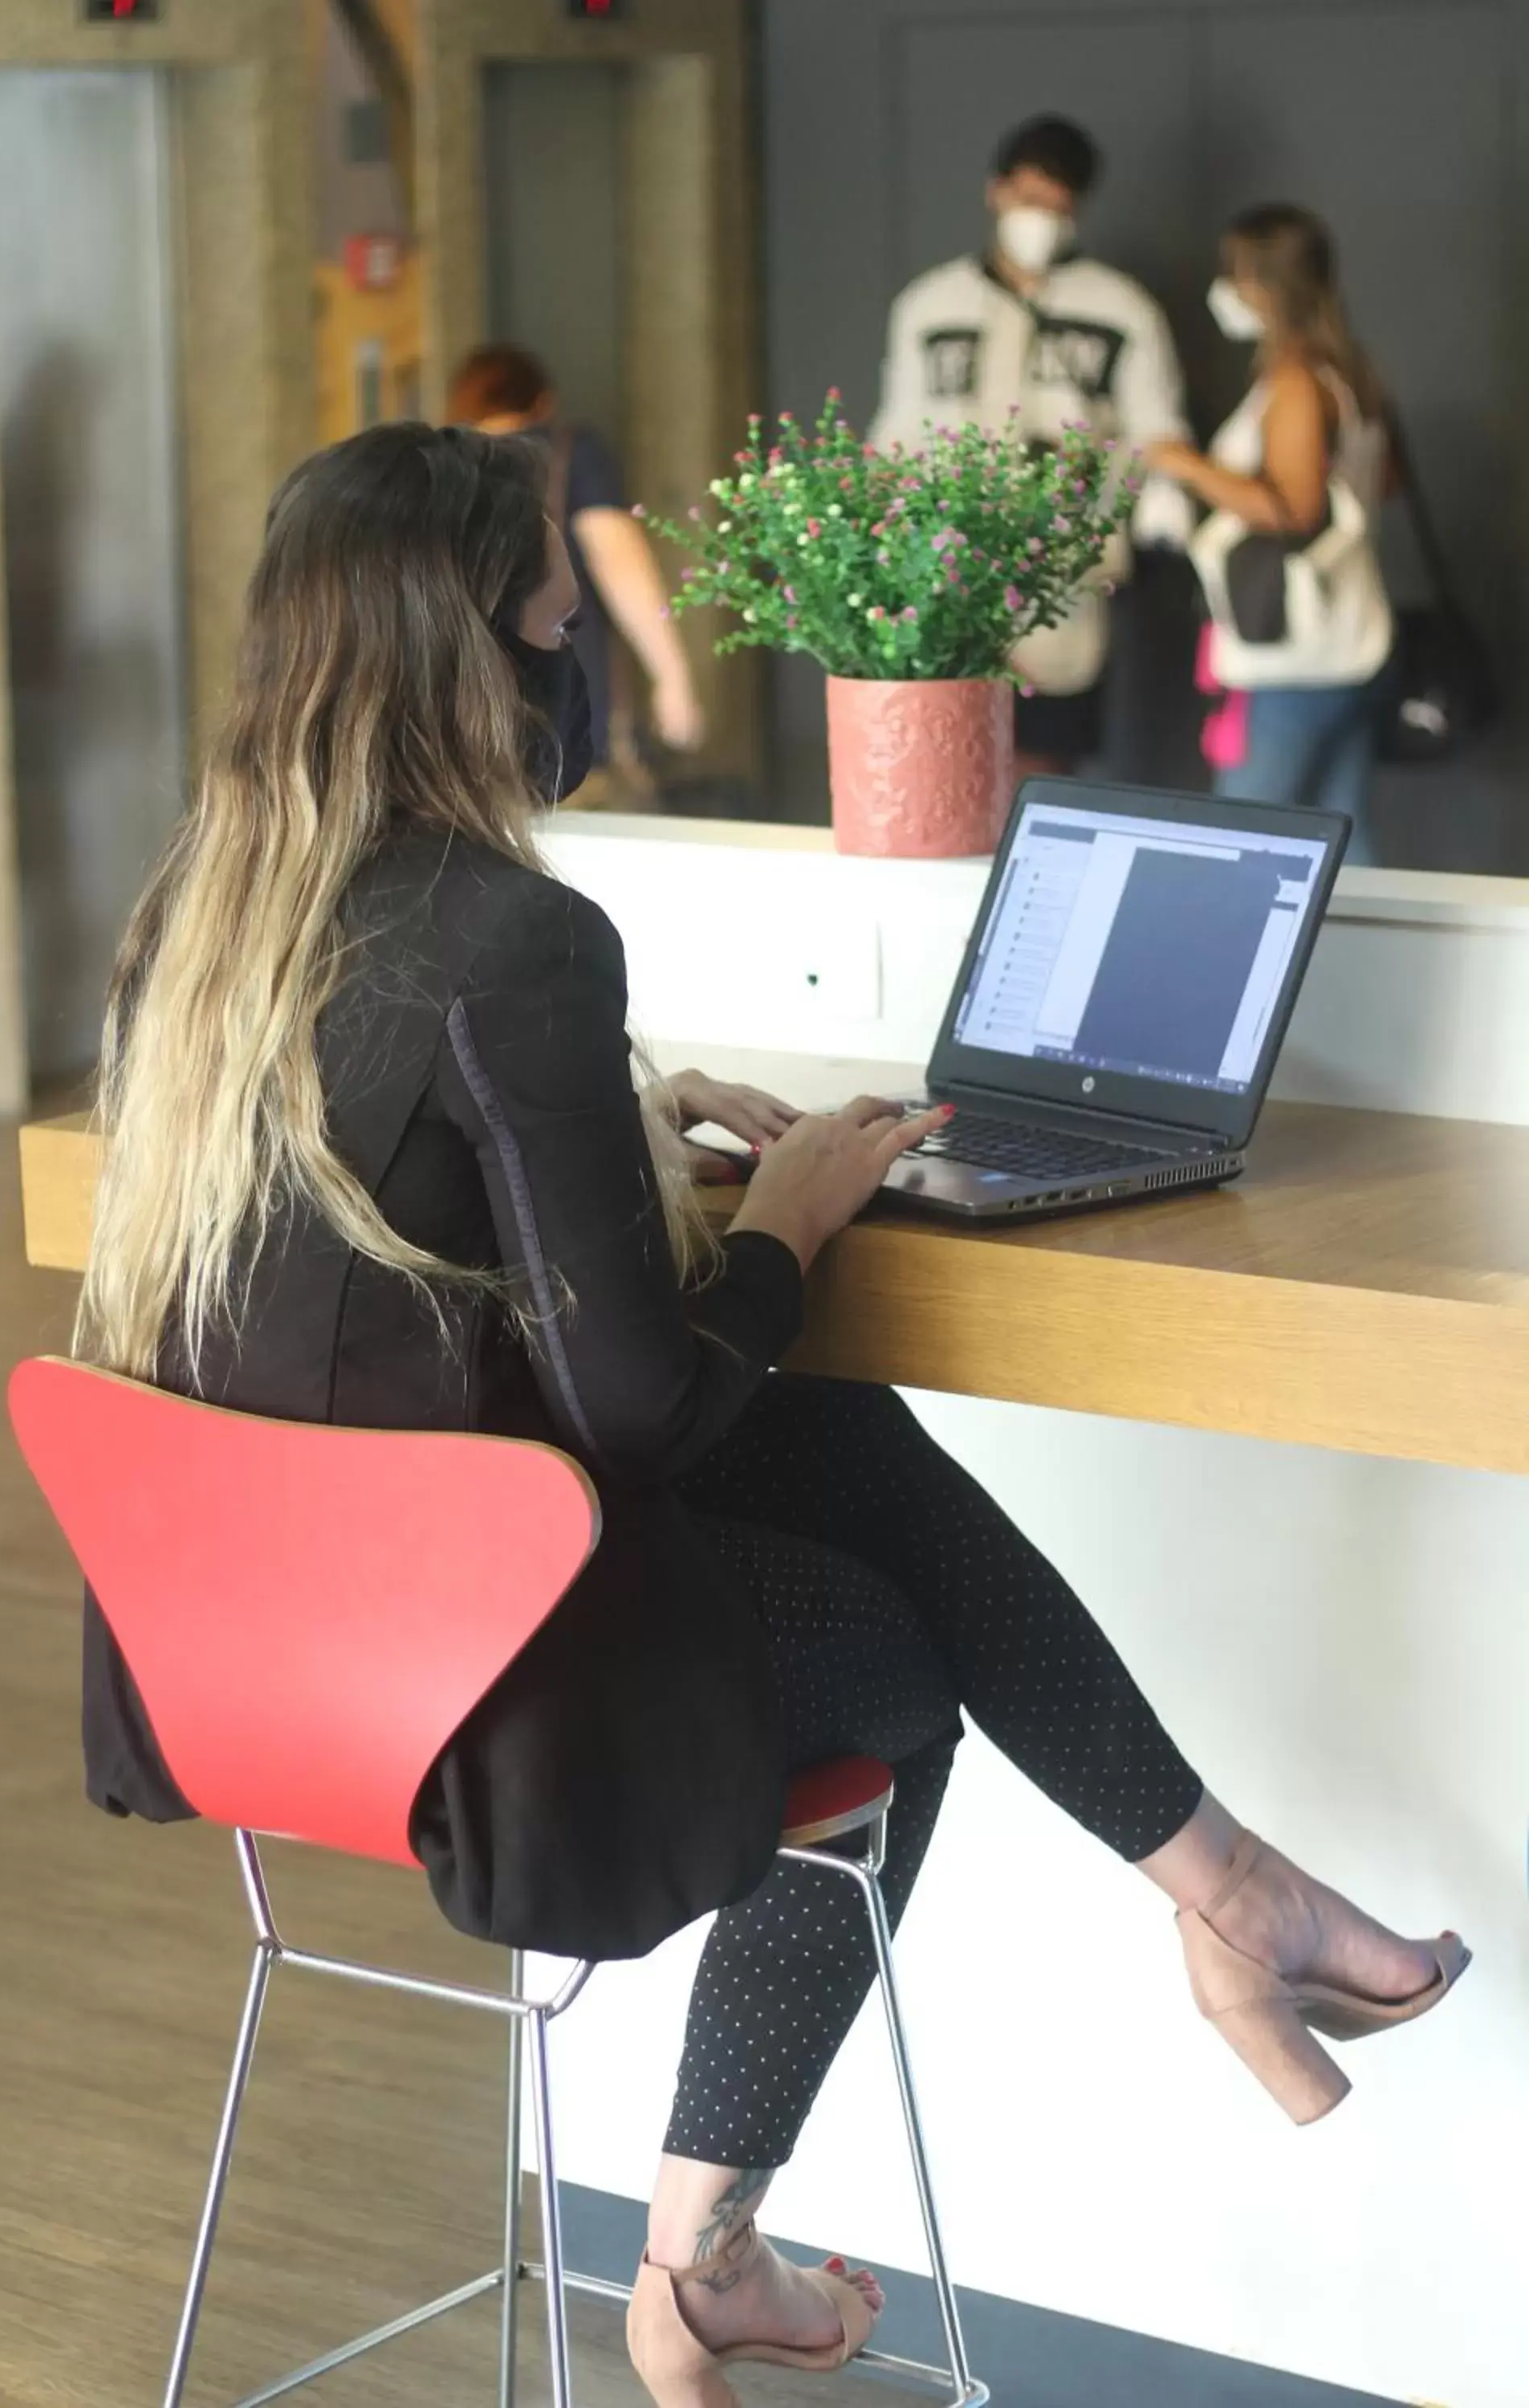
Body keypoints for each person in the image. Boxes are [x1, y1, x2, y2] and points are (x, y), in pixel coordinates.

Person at [76, 425, 1466, 2408]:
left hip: (240, 1657)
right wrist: (794, 1218)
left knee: (842, 1443)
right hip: (470, 1682)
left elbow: (374, 1266)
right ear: (462, 651)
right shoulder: (513, 938)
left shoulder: (194, 928)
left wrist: (631, 1149)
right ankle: (711, 2239)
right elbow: (631, 1409)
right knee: (887, 1656)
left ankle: (1226, 1900)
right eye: (557, 626)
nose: (576, 672)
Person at [870, 113, 1193, 779]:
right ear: (996, 190)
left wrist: (1159, 493)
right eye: (1027, 198)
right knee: (943, 751)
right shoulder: (930, 304)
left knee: (1042, 757)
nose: (1038, 216)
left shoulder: (1121, 308)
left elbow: (1155, 426)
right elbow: (897, 427)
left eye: (1056, 204)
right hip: (942, 559)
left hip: (1062, 567)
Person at [1147, 205, 1395, 860]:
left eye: (1234, 274)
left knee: (1239, 844)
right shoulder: (1352, 375)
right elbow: (1379, 487)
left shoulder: (1294, 383)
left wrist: (1183, 463)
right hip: (1353, 640)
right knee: (1350, 846)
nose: (1225, 289)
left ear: (1266, 284)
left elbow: (1293, 510)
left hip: (1293, 657)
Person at [448, 342, 703, 800]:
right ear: (543, 402)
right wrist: (674, 682)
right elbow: (619, 563)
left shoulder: (440, 470)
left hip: (464, 745)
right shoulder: (569, 454)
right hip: (569, 732)